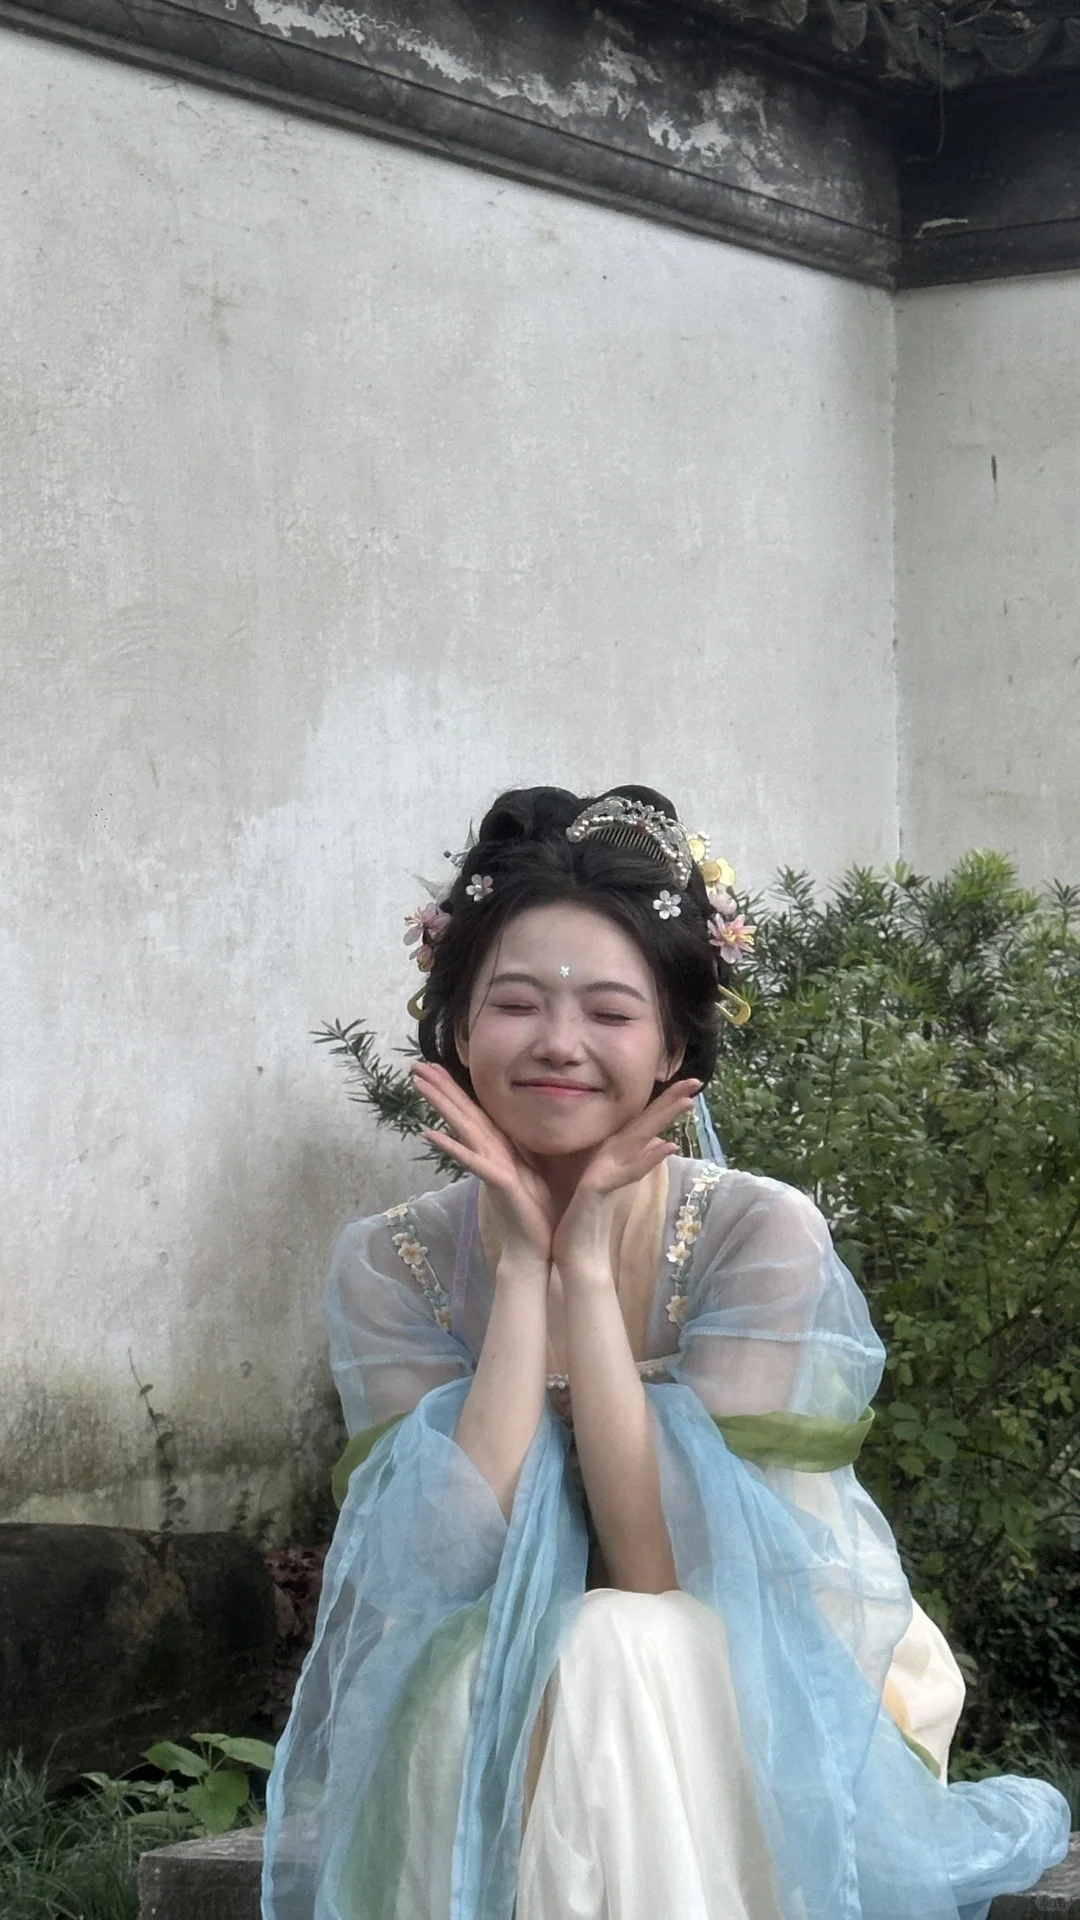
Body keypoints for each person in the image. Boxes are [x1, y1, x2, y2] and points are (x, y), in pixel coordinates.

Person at [262, 785, 1069, 1920]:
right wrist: (521, 1272)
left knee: (612, 1638)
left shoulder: (755, 1233)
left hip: (767, 1665)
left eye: (609, 1010)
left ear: (674, 1046)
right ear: (454, 1027)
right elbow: (448, 1568)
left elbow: (658, 1565)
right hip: (482, 1666)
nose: (559, 1043)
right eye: (516, 1004)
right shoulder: (388, 1262)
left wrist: (586, 1271)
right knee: (519, 1661)